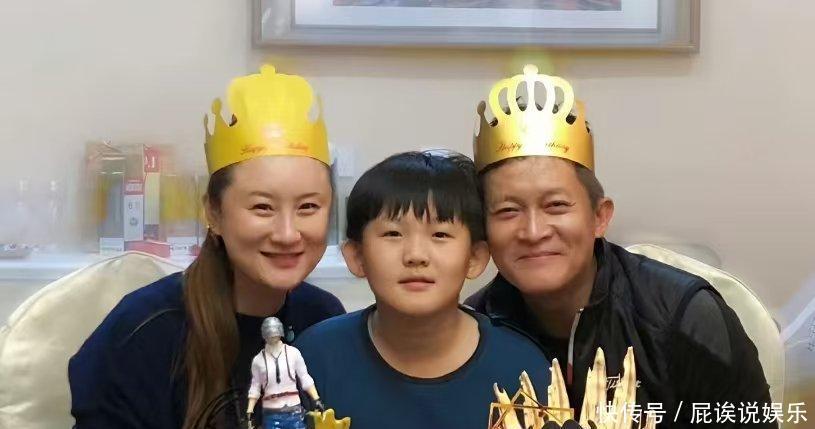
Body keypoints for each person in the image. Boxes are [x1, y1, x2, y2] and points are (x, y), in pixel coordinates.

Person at [465, 65, 774, 427]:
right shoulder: (470, 334)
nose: (533, 231)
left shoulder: (683, 318)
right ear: (483, 229)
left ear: (600, 217)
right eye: (508, 211)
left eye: (556, 206)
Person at [69, 66, 345, 429]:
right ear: (213, 213)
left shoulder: (323, 319)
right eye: (262, 207)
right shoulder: (144, 330)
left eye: (308, 207)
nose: (287, 233)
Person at [295, 151, 551, 429]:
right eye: (393, 234)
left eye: (440, 234)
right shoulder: (313, 360)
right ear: (357, 256)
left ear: (475, 258)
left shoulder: (522, 369)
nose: (416, 255)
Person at [246, 317, 324, 429]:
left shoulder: (293, 353)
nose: (272, 336)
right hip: (271, 413)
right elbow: (255, 387)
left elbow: (305, 378)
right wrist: (250, 410)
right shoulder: (258, 360)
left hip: (294, 411)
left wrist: (316, 399)